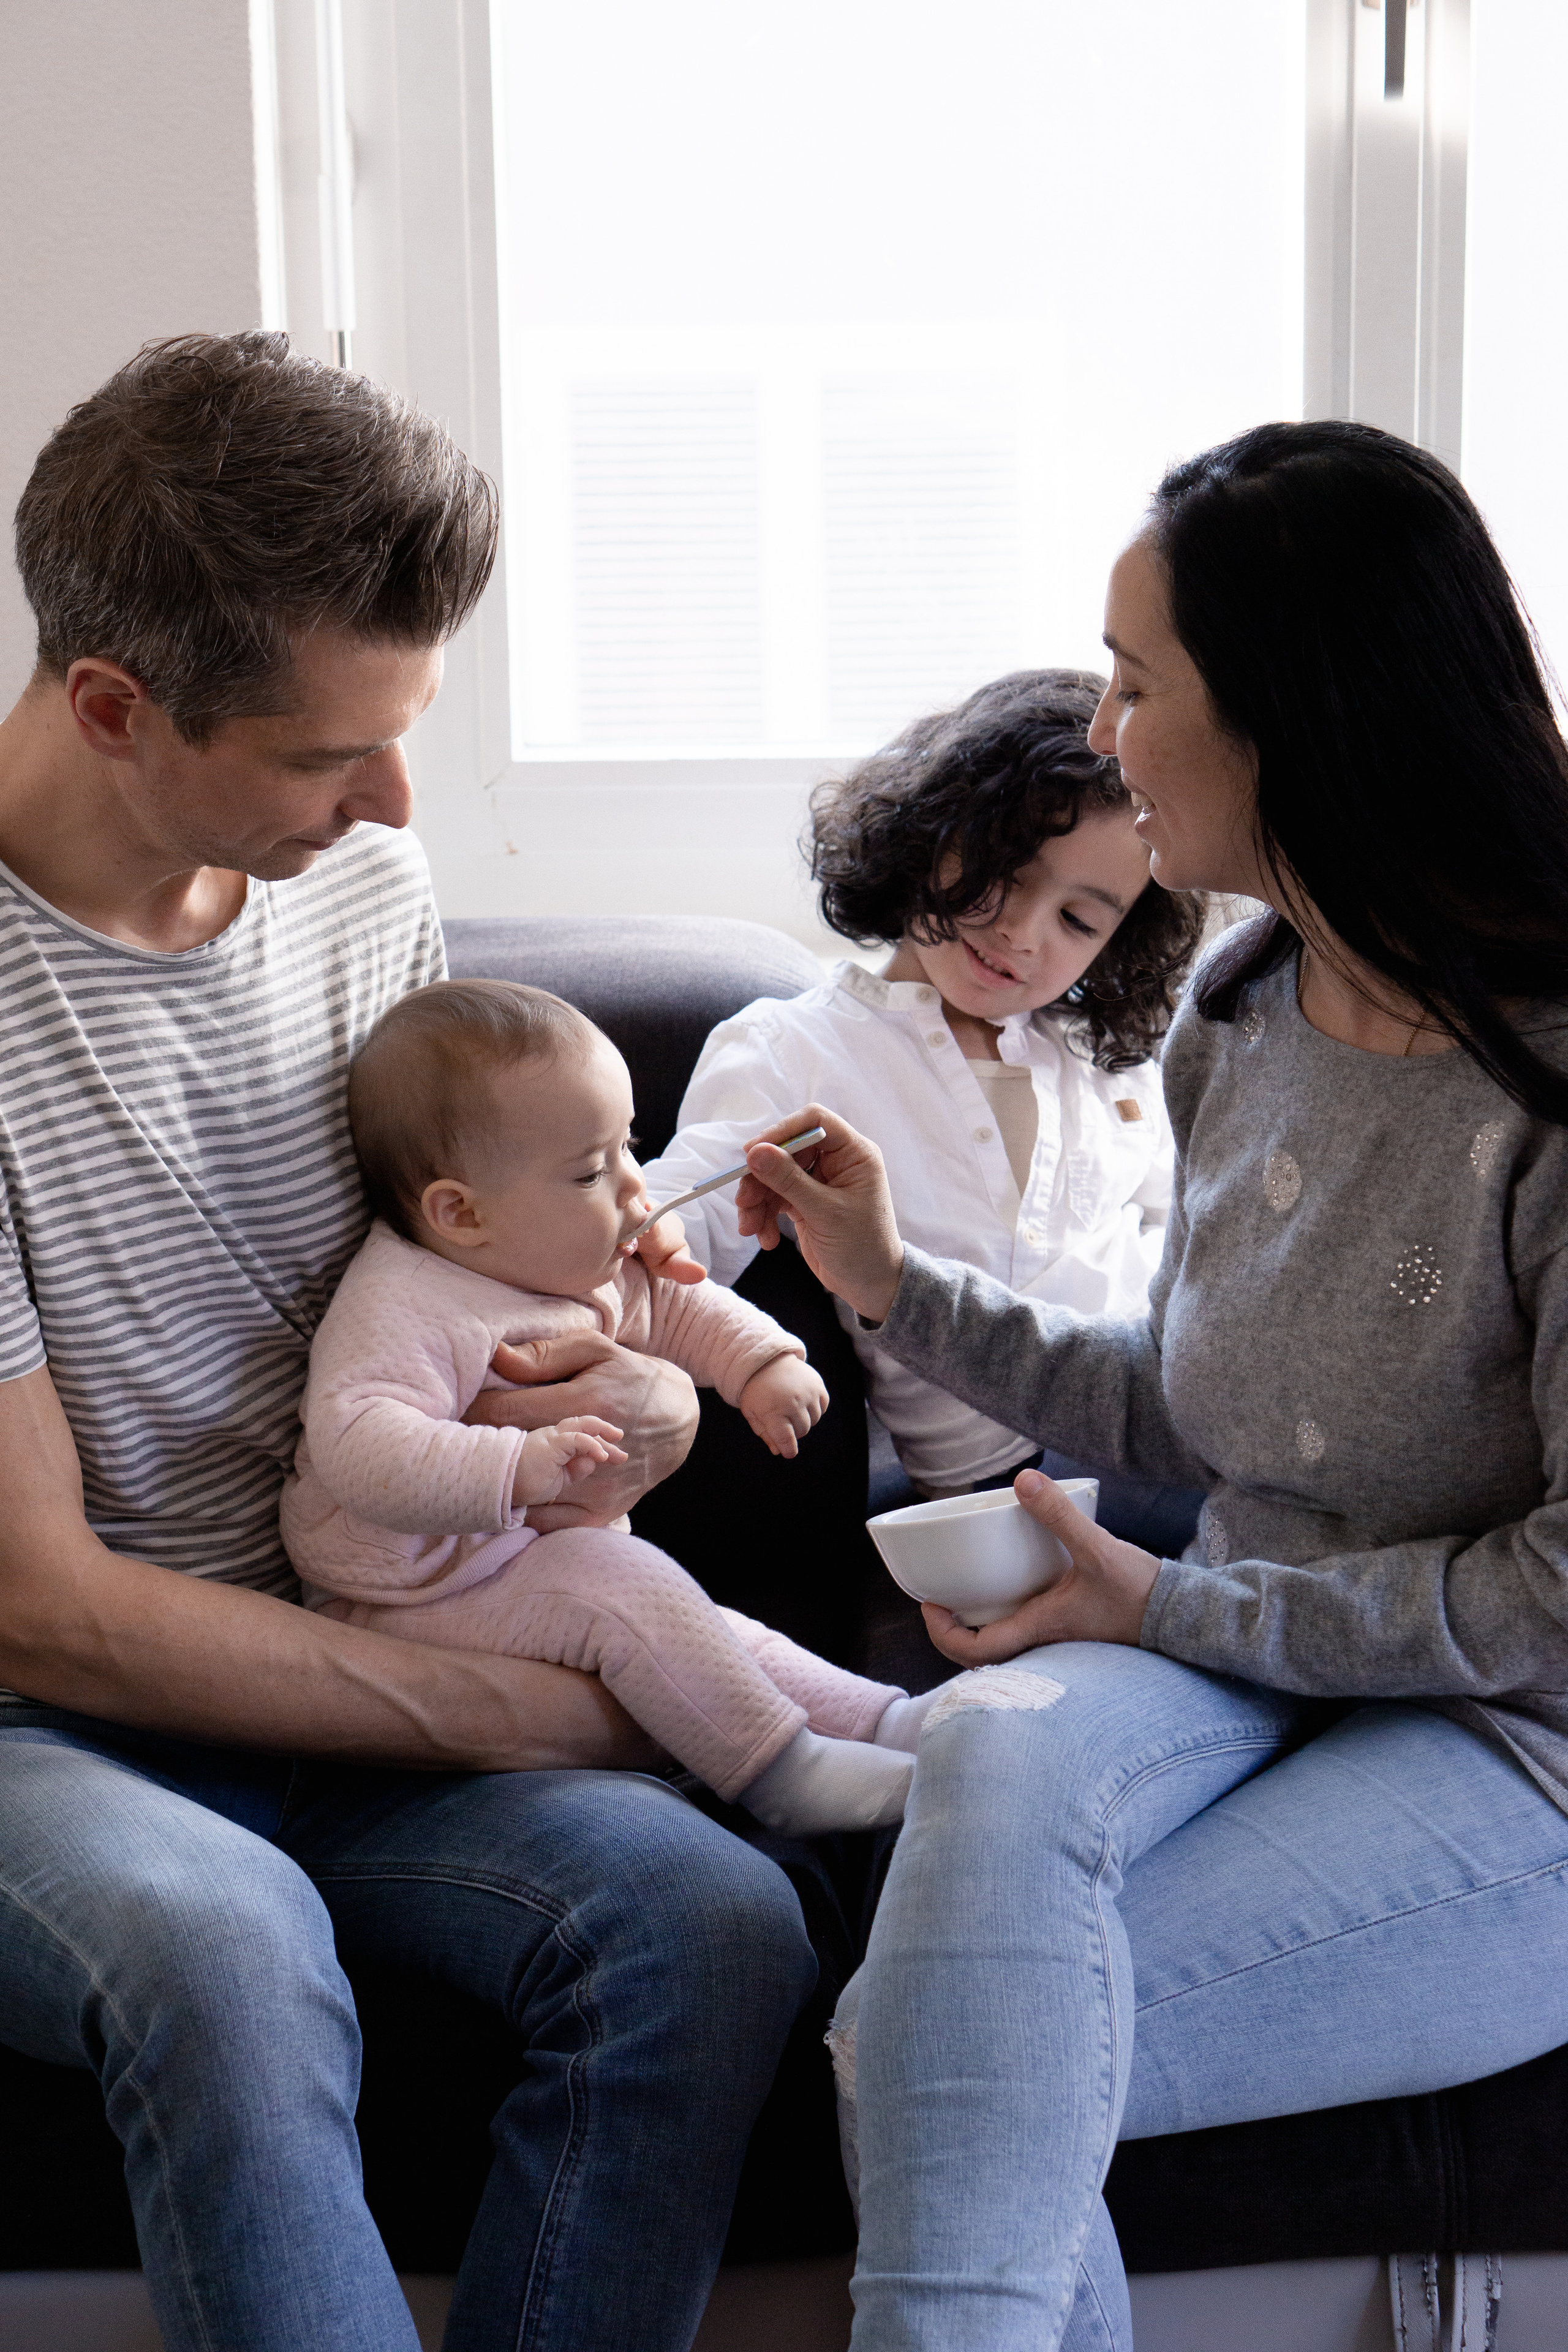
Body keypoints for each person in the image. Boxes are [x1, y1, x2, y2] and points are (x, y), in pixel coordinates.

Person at [0, 333, 820, 2352]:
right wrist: (544, 1712)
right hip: (52, 1728)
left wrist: (635, 1388)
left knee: (713, 1920)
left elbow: (480, 1284)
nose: (389, 804)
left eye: (409, 732)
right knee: (218, 1945)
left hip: (357, 1613)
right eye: (323, 755)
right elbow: (41, 1612)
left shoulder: (362, 889)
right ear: (112, 707)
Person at [728, 420, 1568, 2350]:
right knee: (994, 1748)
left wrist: (1174, 1607)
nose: (1105, 734)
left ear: (1289, 714)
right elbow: (1204, 1408)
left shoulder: (1546, 1077)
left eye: (1136, 681)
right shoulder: (1245, 1008)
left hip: (1518, 1743)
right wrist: (890, 1285)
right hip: (1264, 1668)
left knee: (932, 2055)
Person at [284, 975, 924, 1833]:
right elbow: (358, 1442)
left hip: (514, 1564)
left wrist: (761, 1362)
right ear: (459, 1213)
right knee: (630, 1591)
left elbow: (679, 1307)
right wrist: (514, 1465)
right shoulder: (405, 1303)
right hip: (405, 1600)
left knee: (699, 1627)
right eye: (593, 1170)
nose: (635, 1187)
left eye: (629, 1146)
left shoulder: (564, 1259)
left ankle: (894, 1726)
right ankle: (784, 1774)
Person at [636, 671, 1204, 1548]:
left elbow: (1190, 1245)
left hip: (1161, 1413)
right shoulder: (795, 1049)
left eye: (1079, 922)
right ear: (935, 829)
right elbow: (688, 1216)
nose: (1023, 933)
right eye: (1008, 876)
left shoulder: (1104, 1066)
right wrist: (606, 1242)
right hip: (1003, 1484)